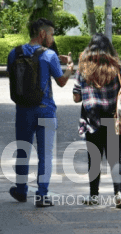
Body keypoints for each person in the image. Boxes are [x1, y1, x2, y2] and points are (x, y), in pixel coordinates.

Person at [7, 18, 74, 207]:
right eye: (51, 34)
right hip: (45, 111)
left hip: (22, 111)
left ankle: (21, 191)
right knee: (45, 154)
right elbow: (61, 82)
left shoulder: (14, 53)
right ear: (42, 34)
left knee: (23, 151)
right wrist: (69, 68)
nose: (52, 38)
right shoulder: (49, 55)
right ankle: (42, 195)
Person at [72, 34, 121, 208]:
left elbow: (76, 96)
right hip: (113, 117)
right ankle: (118, 192)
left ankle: (94, 196)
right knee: (115, 158)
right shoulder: (117, 67)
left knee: (94, 158)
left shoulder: (83, 68)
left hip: (92, 119)